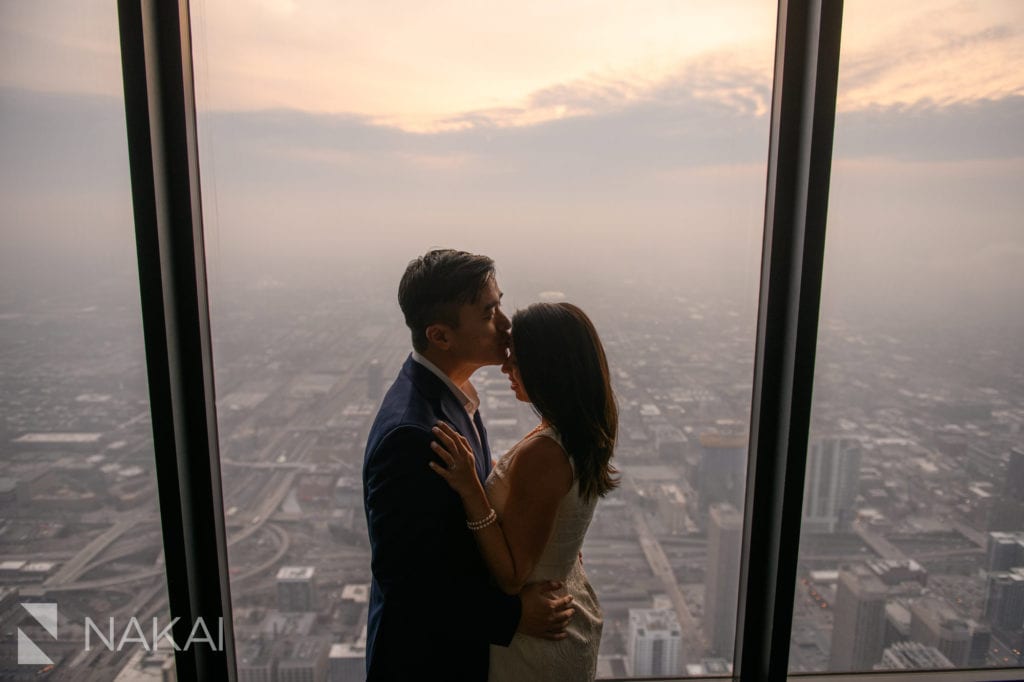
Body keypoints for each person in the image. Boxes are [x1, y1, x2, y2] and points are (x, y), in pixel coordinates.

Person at [363, 250, 575, 681]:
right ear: (441, 336)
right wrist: (511, 616)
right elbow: (406, 584)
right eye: (488, 312)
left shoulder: (449, 398)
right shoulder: (412, 435)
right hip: (427, 665)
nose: (505, 323)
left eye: (499, 304)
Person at [430, 301, 618, 682]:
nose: (506, 367)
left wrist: (470, 488)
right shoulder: (578, 431)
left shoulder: (544, 453)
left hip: (536, 643)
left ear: (548, 368)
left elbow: (513, 576)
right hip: (559, 615)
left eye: (517, 359)